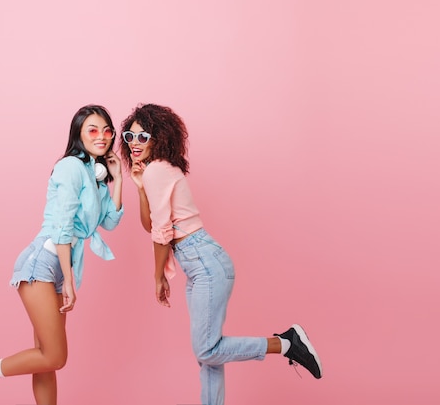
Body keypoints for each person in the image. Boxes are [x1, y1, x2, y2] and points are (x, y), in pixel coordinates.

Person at [120, 103, 322, 405]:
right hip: (202, 263)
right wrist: (138, 188)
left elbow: (160, 233)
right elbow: (151, 223)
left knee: (206, 349)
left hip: (204, 263)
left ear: (159, 137)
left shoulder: (157, 171)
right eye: (130, 136)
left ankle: (286, 343)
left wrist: (158, 275)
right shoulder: (156, 172)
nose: (135, 144)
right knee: (209, 357)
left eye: (143, 136)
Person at [0, 104, 124, 405]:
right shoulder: (71, 166)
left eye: (107, 131)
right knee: (55, 356)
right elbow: (62, 226)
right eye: (92, 130)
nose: (102, 136)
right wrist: (68, 281)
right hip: (43, 263)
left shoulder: (95, 176)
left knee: (45, 357)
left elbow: (109, 221)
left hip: (60, 266)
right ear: (78, 134)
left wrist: (117, 178)